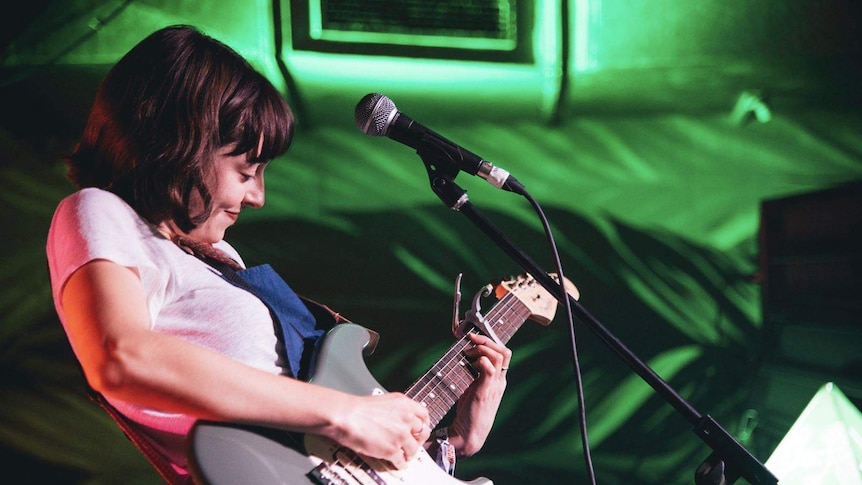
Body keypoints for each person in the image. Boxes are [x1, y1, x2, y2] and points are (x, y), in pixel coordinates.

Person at [46, 25, 511, 483]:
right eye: (247, 171)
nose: (258, 197)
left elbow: (312, 461)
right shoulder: (100, 211)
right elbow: (121, 356)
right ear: (179, 148)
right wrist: (347, 413)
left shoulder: (218, 258)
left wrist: (449, 442)